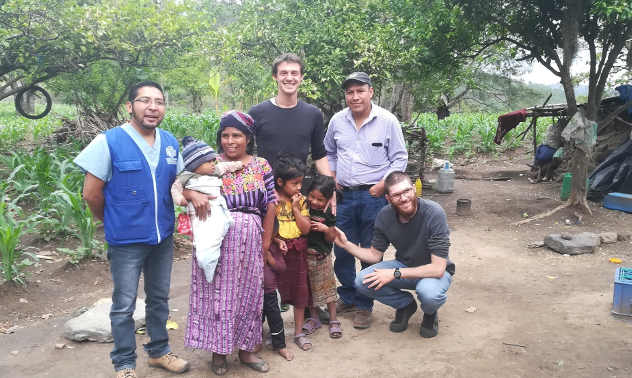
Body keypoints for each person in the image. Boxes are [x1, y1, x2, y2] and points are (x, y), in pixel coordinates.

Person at [74, 81, 189, 378]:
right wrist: (110, 220)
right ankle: (124, 364)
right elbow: (91, 194)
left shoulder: (170, 143)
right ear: (130, 106)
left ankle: (159, 352)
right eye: (145, 101)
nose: (153, 107)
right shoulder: (108, 141)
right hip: (126, 241)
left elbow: (177, 183)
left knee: (159, 299)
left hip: (162, 237)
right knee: (124, 305)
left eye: (159, 102)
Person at [183, 111, 276, 376]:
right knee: (217, 295)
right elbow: (180, 185)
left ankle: (247, 351)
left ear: (248, 138)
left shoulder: (261, 165)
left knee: (249, 295)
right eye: (225, 135)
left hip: (251, 236)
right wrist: (191, 193)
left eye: (237, 135)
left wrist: (266, 243)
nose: (230, 141)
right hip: (215, 238)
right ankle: (219, 352)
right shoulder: (208, 164)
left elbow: (271, 204)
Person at [324, 72, 408, 329]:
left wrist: (383, 185)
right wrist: (334, 176)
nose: (355, 96)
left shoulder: (387, 121)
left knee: (371, 253)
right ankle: (349, 295)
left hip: (374, 197)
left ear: (371, 92)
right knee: (342, 248)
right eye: (350, 92)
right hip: (344, 196)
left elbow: (399, 158)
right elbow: (329, 152)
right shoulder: (338, 121)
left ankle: (364, 305)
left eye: (360, 90)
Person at [332, 171, 454, 338]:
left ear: (414, 189)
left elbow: (438, 268)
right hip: (406, 265)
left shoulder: (434, 213)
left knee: (428, 293)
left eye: (407, 191)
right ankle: (405, 305)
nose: (404, 198)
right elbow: (374, 255)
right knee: (362, 280)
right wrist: (346, 244)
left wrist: (394, 273)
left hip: (434, 271)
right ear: (388, 198)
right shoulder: (384, 215)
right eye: (397, 195)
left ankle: (430, 313)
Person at [176, 136, 243, 282]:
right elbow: (175, 191)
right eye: (209, 162)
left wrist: (239, 164)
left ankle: (210, 266)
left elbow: (226, 166)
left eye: (214, 161)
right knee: (205, 244)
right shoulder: (186, 177)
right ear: (194, 165)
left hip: (218, 210)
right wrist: (184, 198)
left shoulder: (214, 171)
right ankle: (208, 266)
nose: (213, 164)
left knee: (215, 238)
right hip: (201, 215)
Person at [273, 155, 313, 351]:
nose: (299, 188)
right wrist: (276, 240)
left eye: (301, 183)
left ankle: (298, 332)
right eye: (294, 183)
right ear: (280, 182)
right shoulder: (271, 199)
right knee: (272, 293)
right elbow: (266, 228)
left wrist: (296, 209)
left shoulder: (302, 201)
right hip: (277, 250)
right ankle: (274, 332)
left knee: (300, 292)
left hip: (298, 250)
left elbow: (306, 229)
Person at [304, 175, 342, 339]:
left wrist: (325, 228)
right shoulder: (304, 207)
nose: (314, 201)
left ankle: (333, 319)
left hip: (322, 257)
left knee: (328, 289)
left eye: (320, 199)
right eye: (312, 196)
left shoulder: (329, 212)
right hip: (305, 256)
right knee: (309, 290)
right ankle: (314, 318)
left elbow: (332, 237)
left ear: (327, 199)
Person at [262, 235, 294, 361]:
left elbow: (282, 268)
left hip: (269, 292)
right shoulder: (250, 245)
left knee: (275, 319)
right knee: (255, 319)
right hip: (253, 292)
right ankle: (254, 343)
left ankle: (280, 345)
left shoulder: (274, 247)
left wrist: (270, 259)